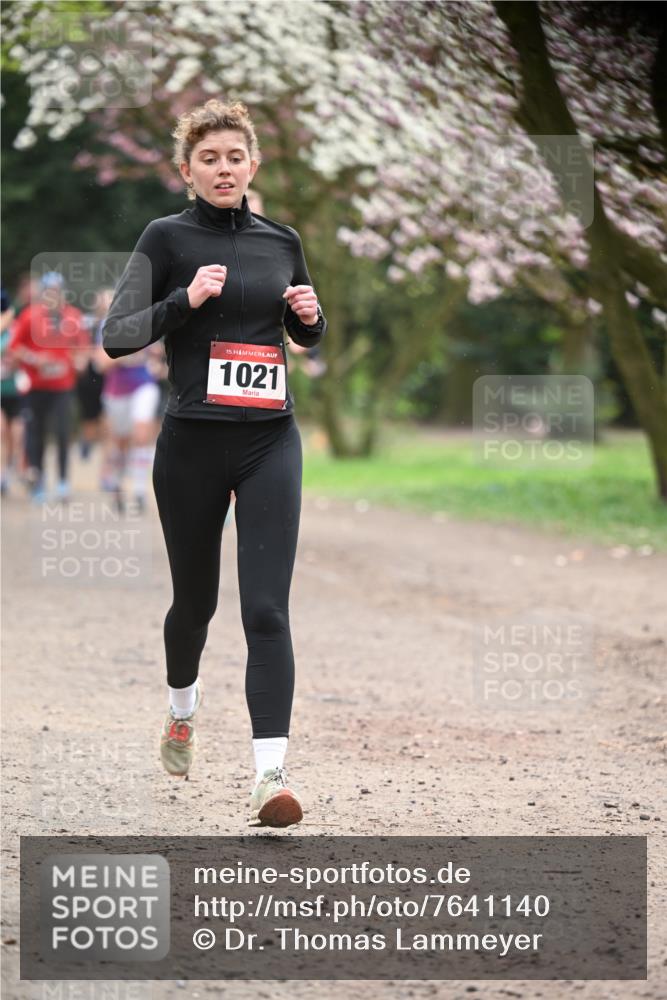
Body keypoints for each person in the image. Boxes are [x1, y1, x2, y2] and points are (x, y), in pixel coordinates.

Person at [102, 99, 327, 828]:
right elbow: (117, 335)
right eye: (209, 158)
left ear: (252, 164)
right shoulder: (166, 236)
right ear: (187, 170)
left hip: (269, 438)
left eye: (235, 156)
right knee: (193, 606)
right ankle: (180, 711)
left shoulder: (281, 239)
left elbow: (300, 336)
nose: (223, 168)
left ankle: (271, 778)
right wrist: (183, 299)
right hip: (191, 442)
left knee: (265, 609)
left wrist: (310, 319)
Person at [9, 271, 89, 502]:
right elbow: (14, 348)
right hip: (35, 387)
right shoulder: (29, 315)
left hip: (63, 386)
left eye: (56, 290)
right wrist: (35, 359)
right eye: (48, 291)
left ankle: (63, 483)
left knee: (63, 433)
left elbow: (82, 349)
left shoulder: (73, 316)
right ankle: (38, 483)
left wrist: (80, 362)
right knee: (36, 434)